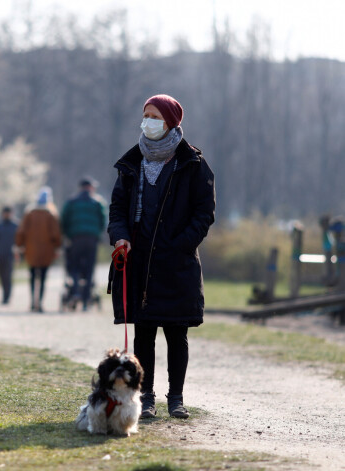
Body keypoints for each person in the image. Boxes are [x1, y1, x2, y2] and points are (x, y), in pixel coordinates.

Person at [107, 94, 215, 419]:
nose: (148, 121)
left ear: (170, 121)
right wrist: (120, 237)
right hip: (139, 261)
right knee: (144, 332)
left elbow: (204, 214)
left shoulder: (193, 164)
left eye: (154, 116)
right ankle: (147, 398)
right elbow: (116, 210)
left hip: (176, 263)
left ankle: (176, 398)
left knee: (176, 333)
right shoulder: (130, 163)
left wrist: (180, 244)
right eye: (145, 115)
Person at [60, 177, 107, 311]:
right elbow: (103, 220)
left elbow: (64, 220)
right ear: (91, 188)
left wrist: (68, 235)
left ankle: (75, 292)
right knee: (89, 268)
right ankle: (86, 300)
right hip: (92, 239)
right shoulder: (97, 202)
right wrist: (98, 234)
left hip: (75, 238)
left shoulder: (71, 202)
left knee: (74, 266)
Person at [15, 187, 62, 312]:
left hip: (31, 251)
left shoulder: (29, 213)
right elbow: (55, 234)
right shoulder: (51, 214)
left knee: (32, 276)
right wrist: (57, 247)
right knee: (43, 277)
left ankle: (31, 302)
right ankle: (39, 303)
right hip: (46, 252)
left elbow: (21, 231)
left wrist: (20, 245)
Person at [0, 206, 19, 304]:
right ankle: (4, 294)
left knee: (8, 276)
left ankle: (7, 297)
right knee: (1, 276)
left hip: (11, 255)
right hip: (0, 255)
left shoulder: (16, 226)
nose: (6, 215)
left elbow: (20, 241)